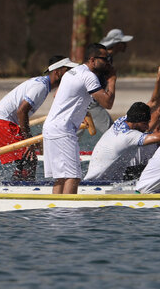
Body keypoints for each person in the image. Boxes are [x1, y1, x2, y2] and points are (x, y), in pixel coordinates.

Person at [0, 55, 76, 179]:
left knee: (27, 160)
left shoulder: (43, 84)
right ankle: (21, 188)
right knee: (30, 158)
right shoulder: (41, 86)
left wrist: (29, 140)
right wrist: (28, 140)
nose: (72, 74)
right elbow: (22, 111)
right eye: (68, 71)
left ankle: (17, 184)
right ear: (57, 72)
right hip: (0, 123)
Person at [44, 44, 116, 194]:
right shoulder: (88, 76)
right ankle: (69, 214)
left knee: (61, 177)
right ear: (92, 60)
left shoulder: (73, 72)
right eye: (105, 59)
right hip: (63, 130)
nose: (108, 62)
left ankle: (57, 211)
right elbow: (107, 103)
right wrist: (112, 80)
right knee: (73, 177)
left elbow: (59, 96)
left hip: (51, 127)